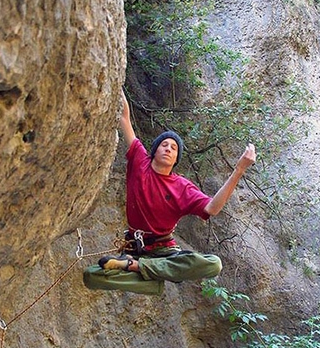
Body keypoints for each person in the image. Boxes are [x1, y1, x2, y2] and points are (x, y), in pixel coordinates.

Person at [84, 89, 256, 292]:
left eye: (173, 148)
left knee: (213, 264)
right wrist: (115, 83)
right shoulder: (140, 161)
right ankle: (148, 274)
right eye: (164, 145)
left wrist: (239, 170)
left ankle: (137, 268)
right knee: (91, 277)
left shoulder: (182, 187)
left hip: (165, 252)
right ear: (155, 150)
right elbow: (124, 117)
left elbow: (212, 208)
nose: (168, 149)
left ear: (176, 159)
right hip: (136, 248)